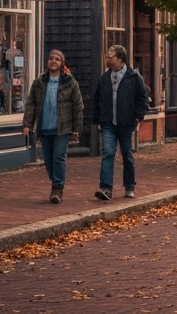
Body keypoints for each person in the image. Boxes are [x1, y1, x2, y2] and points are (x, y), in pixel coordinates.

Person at [23, 49, 84, 204]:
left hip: (62, 127)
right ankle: (55, 180)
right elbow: (31, 104)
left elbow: (78, 106)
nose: (53, 61)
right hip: (45, 126)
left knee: (58, 157)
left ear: (62, 63)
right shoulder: (39, 83)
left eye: (57, 59)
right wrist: (27, 124)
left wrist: (77, 128)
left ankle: (57, 189)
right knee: (49, 160)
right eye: (51, 58)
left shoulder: (70, 83)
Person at [92, 45, 150, 200]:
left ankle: (129, 186)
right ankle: (106, 188)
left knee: (127, 155)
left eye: (110, 57)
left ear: (120, 59)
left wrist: (138, 116)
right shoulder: (104, 78)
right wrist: (99, 119)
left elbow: (143, 97)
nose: (107, 59)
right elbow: (98, 100)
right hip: (108, 123)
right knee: (108, 153)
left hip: (126, 122)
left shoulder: (134, 77)